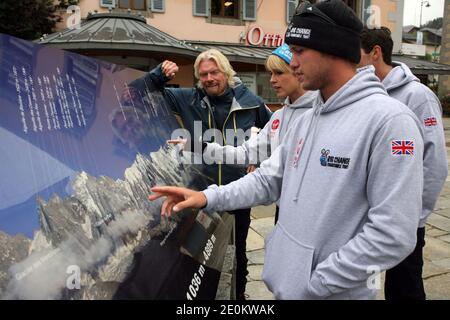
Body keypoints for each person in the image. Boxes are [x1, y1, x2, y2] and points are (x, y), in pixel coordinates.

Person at [148, 0, 425, 300]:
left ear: (333, 48)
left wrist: (316, 284)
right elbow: (268, 179)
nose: (291, 64)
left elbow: (393, 233)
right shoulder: (306, 119)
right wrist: (206, 197)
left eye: (298, 51)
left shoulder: (390, 121)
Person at [132, 49, 272, 300]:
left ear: (227, 73)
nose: (209, 78)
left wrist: (258, 161)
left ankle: (238, 296)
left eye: (214, 72)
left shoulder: (250, 101)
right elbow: (135, 93)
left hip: (237, 192)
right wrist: (158, 75)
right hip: (198, 192)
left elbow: (275, 135)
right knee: (196, 252)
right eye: (203, 74)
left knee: (238, 249)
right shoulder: (188, 98)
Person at [171, 44, 315, 224]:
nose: (271, 80)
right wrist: (196, 146)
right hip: (283, 209)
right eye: (270, 73)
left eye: (278, 73)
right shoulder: (279, 117)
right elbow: (246, 154)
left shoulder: (319, 114)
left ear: (299, 72)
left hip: (312, 213)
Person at [359, 26, 448, 300]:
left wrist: (415, 215)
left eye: (355, 55)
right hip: (366, 217)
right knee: (366, 286)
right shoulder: (363, 95)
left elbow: (434, 164)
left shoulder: (418, 96)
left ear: (375, 54)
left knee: (404, 287)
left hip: (404, 220)